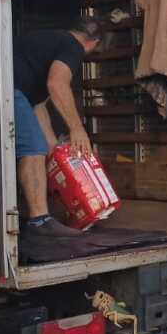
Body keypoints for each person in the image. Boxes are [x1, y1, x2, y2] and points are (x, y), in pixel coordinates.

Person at [13, 17, 101, 236]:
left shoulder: (48, 41)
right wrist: (77, 128)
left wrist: (54, 149)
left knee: (40, 146)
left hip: (8, 90)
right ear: (93, 43)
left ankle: (35, 215)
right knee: (33, 150)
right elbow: (57, 83)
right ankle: (39, 222)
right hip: (9, 90)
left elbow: (38, 107)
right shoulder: (73, 46)